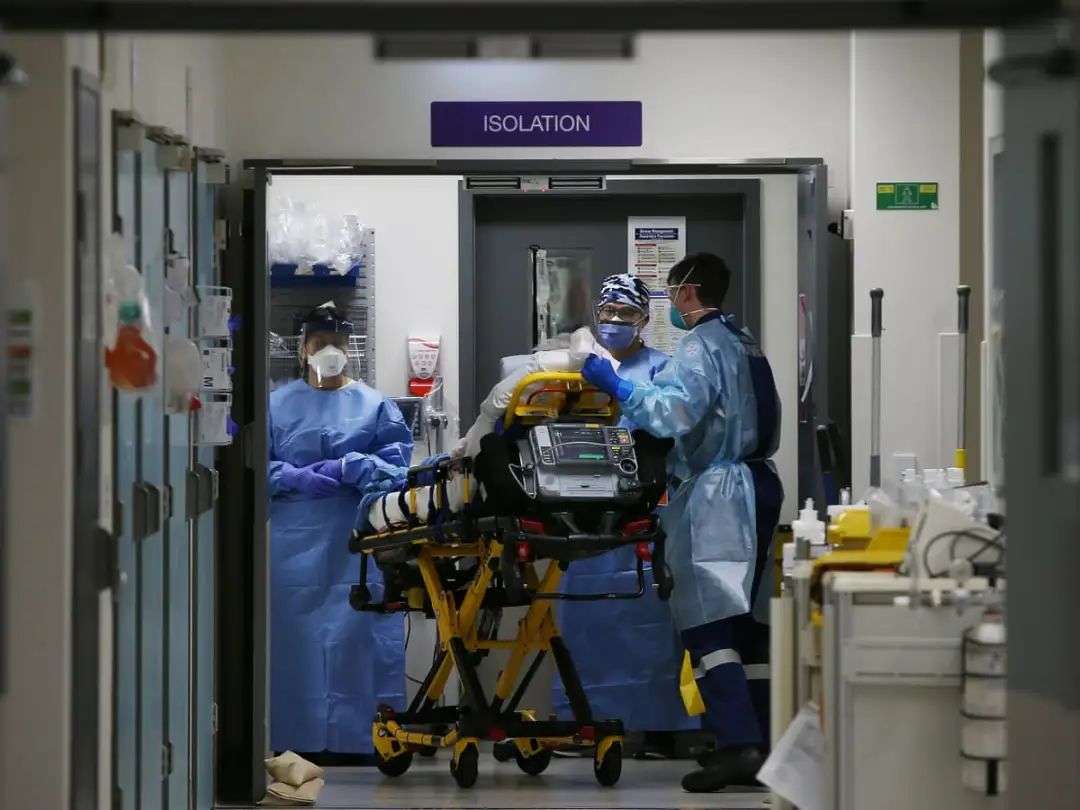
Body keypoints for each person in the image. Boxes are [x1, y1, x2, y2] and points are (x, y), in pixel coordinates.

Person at [581, 254, 783, 792]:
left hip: (720, 494)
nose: (670, 301)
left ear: (687, 292)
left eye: (671, 292)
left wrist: (617, 386)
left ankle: (736, 745)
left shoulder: (699, 346)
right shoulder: (744, 342)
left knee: (708, 622)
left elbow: (672, 413)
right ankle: (763, 747)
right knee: (747, 624)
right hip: (760, 484)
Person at [553, 274, 699, 746]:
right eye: (608, 312)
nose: (615, 320)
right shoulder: (578, 369)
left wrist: (617, 389)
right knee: (587, 622)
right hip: (584, 515)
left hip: (643, 511)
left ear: (644, 320)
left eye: (627, 313)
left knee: (648, 624)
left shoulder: (662, 370)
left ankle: (659, 728)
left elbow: (669, 427)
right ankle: (584, 723)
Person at [268, 303, 413, 755]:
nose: (328, 351)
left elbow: (398, 471)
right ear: (303, 350)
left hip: (358, 544)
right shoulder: (275, 404)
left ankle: (366, 739)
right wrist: (292, 476)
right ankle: (295, 738)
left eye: (336, 343)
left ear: (349, 349)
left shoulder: (375, 406)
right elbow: (251, 467)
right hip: (293, 548)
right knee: (296, 645)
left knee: (357, 638)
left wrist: (353, 466)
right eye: (319, 343)